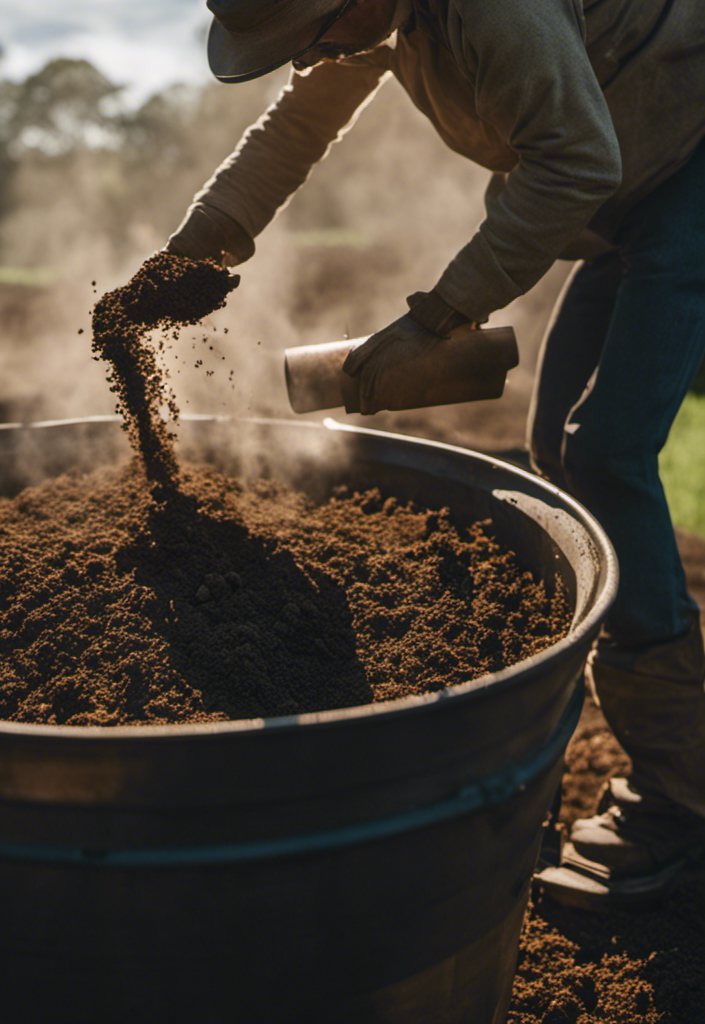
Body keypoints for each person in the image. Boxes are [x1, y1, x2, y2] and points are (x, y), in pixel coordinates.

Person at [166, 0, 705, 909]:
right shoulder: (370, 17)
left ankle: (682, 797)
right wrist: (196, 248)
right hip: (620, 205)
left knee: (607, 457)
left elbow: (578, 159)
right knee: (556, 450)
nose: (318, 56)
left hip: (683, 173)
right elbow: (298, 122)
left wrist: (436, 317)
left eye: (315, 35)